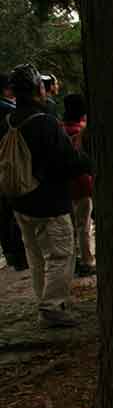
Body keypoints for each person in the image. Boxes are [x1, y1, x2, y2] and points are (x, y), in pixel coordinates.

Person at [0, 64, 90, 327]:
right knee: (61, 254)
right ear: (38, 89)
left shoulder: (7, 121)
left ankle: (45, 302)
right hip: (49, 201)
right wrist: (87, 161)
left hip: (19, 199)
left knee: (36, 255)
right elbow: (67, 162)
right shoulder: (45, 123)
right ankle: (53, 306)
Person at [62, 93, 96, 277]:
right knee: (84, 225)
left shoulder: (60, 130)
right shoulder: (81, 133)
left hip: (66, 185)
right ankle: (87, 260)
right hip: (82, 184)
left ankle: (73, 259)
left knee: (72, 225)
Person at [0, 72, 27, 271]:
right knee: (14, 213)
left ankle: (11, 254)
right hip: (12, 166)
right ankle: (19, 255)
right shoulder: (9, 113)